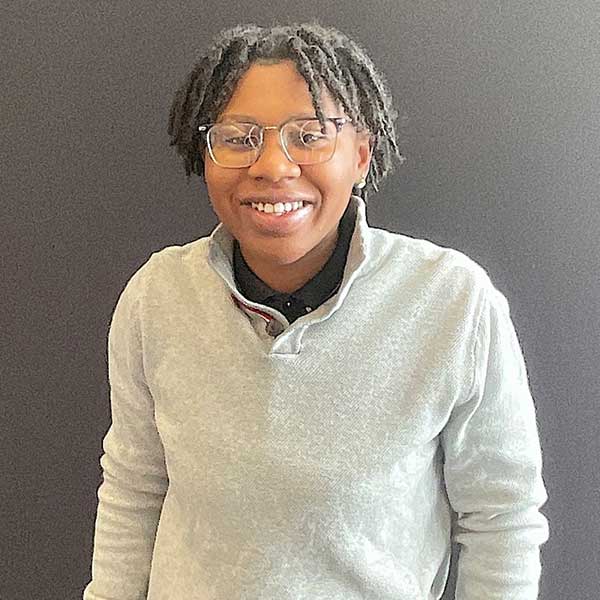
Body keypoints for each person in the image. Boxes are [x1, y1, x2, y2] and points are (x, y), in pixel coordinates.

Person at [83, 20, 550, 600]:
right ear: (204, 154)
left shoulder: (452, 302)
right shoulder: (157, 296)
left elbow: (502, 519)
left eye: (309, 136)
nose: (272, 166)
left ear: (361, 155)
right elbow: (134, 489)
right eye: (238, 137)